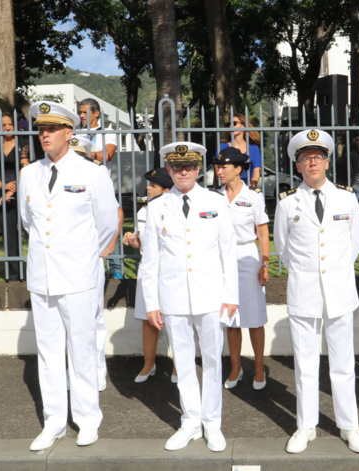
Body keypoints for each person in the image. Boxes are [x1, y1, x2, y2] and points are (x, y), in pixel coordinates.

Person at [18, 101, 119, 451]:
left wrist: (82, 255)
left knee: (81, 350)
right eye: (40, 129)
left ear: (68, 132)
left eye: (51, 129)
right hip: (43, 277)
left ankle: (88, 418)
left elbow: (106, 225)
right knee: (47, 353)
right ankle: (54, 421)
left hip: (78, 275)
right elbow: (29, 222)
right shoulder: (30, 173)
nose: (44, 134)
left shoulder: (92, 173)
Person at [273, 129, 359, 454]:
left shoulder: (346, 198)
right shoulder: (287, 204)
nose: (312, 162)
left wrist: (334, 274)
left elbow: (354, 244)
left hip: (340, 294)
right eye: (305, 158)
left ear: (327, 162)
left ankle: (349, 426)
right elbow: (284, 250)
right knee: (305, 365)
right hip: (304, 295)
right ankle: (305, 426)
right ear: (298, 166)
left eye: (317, 156)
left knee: (343, 365)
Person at [139, 141, 238, 453]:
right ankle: (191, 420)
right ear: (169, 170)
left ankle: (212, 422)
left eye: (190, 166)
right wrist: (152, 303)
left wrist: (231, 295)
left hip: (210, 295)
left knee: (211, 360)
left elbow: (228, 252)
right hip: (173, 297)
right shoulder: (156, 208)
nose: (184, 171)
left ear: (198, 169)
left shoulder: (216, 202)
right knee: (182, 360)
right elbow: (150, 260)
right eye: (177, 167)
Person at [214, 147, 270, 390]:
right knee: (230, 317)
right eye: (217, 167)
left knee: (255, 318)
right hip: (221, 259)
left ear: (238, 169)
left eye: (223, 167)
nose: (219, 171)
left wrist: (265, 262)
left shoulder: (253, 197)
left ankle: (258, 367)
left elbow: (262, 230)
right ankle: (235, 367)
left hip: (247, 256)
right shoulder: (214, 196)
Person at [68, 136, 119, 392]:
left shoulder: (96, 176)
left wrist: (101, 248)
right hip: (64, 261)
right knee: (68, 322)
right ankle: (74, 371)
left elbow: (113, 216)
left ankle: (98, 369)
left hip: (90, 259)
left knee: (95, 317)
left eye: (79, 154)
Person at [122, 168, 177, 384]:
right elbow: (141, 243)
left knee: (174, 317)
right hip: (148, 268)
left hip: (170, 268)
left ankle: (178, 366)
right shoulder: (143, 211)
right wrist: (131, 239)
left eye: (153, 185)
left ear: (166, 189)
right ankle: (148, 363)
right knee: (147, 319)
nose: (148, 188)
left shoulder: (174, 210)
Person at [77, 98, 123, 280]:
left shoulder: (107, 132)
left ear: (96, 113)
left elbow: (107, 155)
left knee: (112, 221)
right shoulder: (76, 133)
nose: (81, 116)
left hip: (102, 184)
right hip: (80, 185)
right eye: (80, 112)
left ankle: (116, 267)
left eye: (85, 112)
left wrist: (82, 152)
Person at [0, 111, 30, 281]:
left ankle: (34, 272)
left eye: (10, 124)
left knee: (30, 233)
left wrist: (12, 190)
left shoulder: (23, 144)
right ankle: (14, 277)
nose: (7, 127)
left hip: (21, 190)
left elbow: (25, 168)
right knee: (9, 236)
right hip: (0, 193)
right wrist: (3, 187)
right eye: (3, 125)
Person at [220, 113, 262, 187]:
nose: (230, 126)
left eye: (234, 123)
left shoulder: (254, 148)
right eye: (229, 124)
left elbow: (256, 172)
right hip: (228, 188)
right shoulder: (222, 147)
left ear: (243, 126)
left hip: (247, 188)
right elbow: (218, 170)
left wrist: (251, 189)